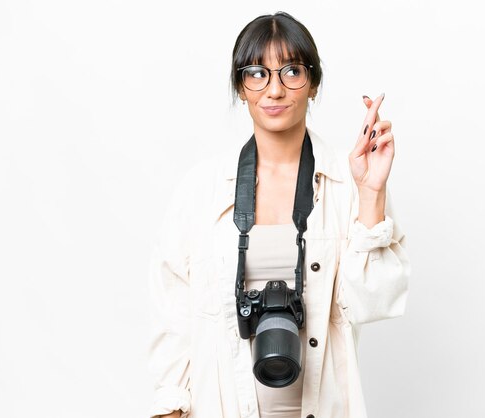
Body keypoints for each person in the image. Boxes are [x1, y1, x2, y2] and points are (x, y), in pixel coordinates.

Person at [148, 11, 410, 418]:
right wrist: (170, 407)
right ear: (240, 87)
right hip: (222, 407)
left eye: (291, 71)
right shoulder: (202, 190)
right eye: (257, 73)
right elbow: (173, 315)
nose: (274, 90)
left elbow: (373, 304)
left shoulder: (348, 181)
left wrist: (371, 192)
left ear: (314, 84)